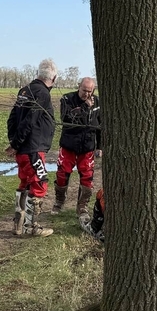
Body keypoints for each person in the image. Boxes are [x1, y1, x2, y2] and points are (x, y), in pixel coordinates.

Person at [6, 58, 57, 237]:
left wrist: (14, 141)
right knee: (39, 183)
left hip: (23, 149)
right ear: (54, 78)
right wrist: (16, 143)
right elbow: (30, 120)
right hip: (33, 148)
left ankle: (18, 224)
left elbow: (12, 118)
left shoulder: (25, 90)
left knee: (25, 182)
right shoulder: (42, 93)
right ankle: (31, 227)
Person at [53, 77, 101, 220]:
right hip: (69, 144)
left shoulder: (98, 102)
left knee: (87, 177)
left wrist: (100, 146)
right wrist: (84, 108)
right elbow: (66, 119)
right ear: (78, 86)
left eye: (89, 91)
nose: (86, 94)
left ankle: (82, 206)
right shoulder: (67, 99)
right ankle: (59, 202)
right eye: (84, 90)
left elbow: (100, 125)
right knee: (62, 174)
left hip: (87, 146)